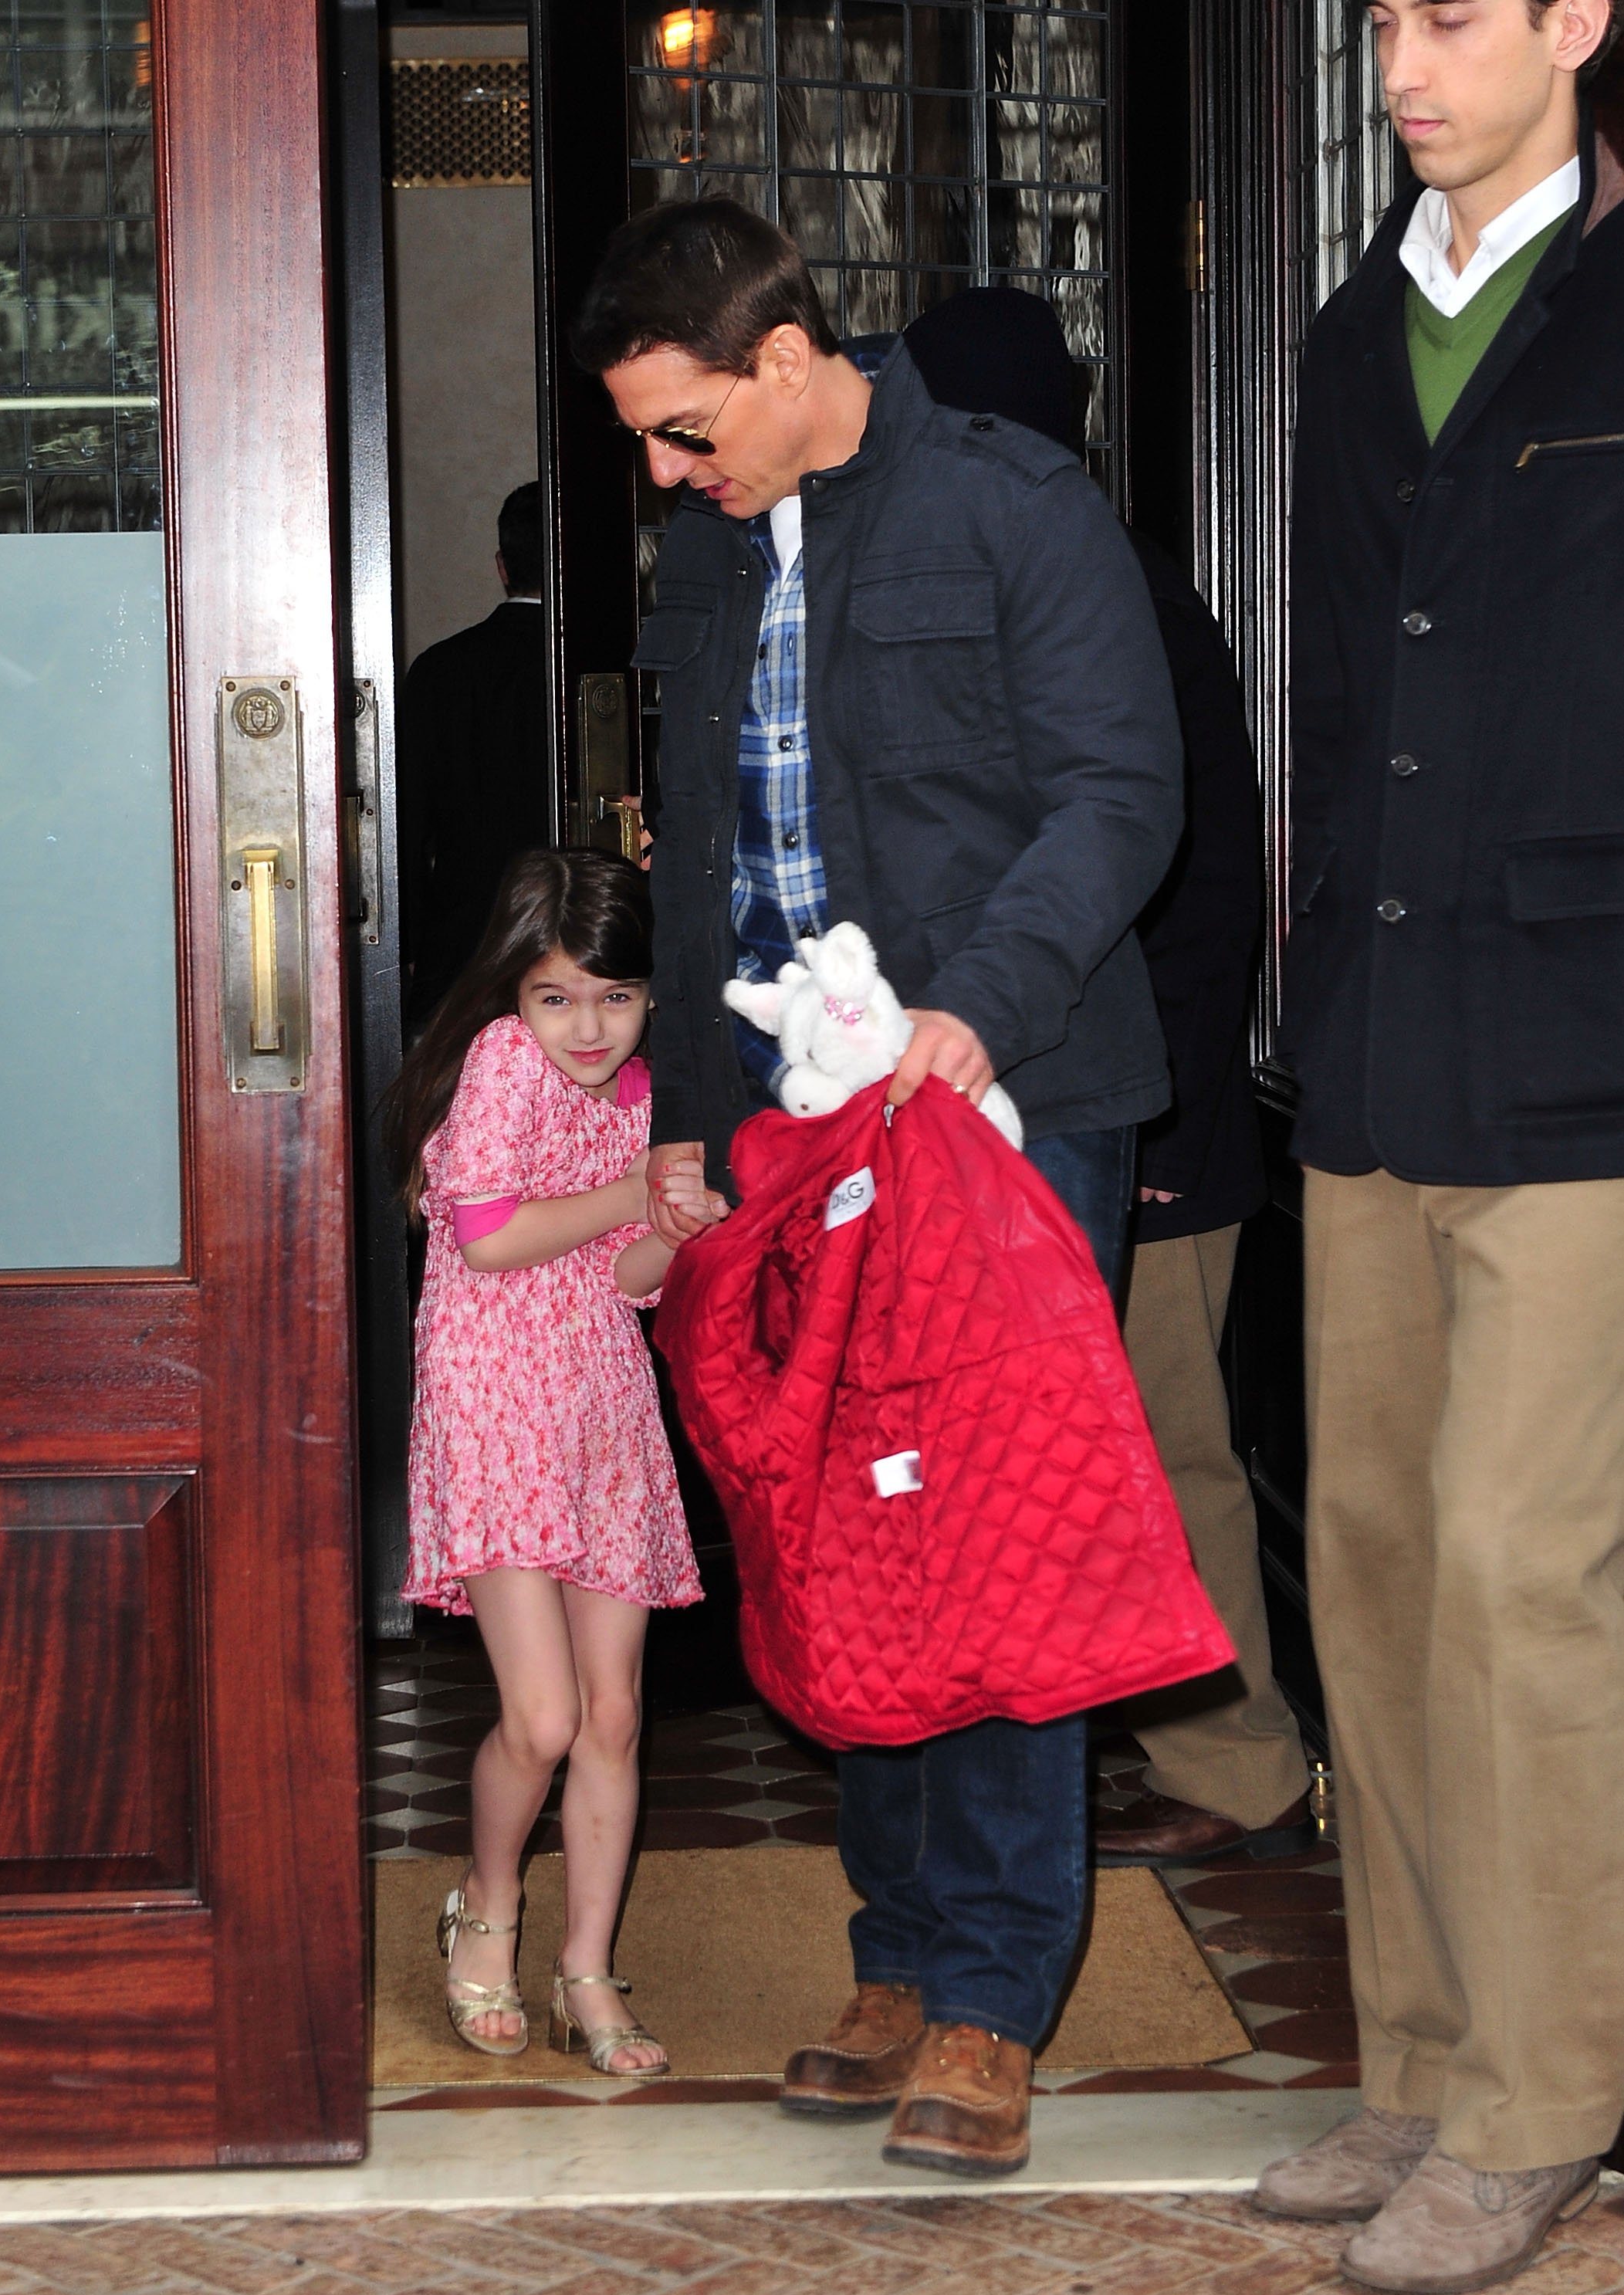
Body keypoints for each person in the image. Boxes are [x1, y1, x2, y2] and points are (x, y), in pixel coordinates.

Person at [573, 199, 1185, 2175]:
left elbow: (1122, 794)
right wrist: (679, 1100)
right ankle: (903, 1949)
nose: (669, 475)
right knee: (835, 1535)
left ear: (780, 357)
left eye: (684, 432)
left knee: (989, 1543)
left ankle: (998, 1993)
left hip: (1002, 1103)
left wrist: (979, 1013)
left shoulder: (1015, 506)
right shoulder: (701, 559)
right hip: (790, 1126)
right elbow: (688, 869)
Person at [1252, 0, 1624, 2295]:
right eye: (1381, 15)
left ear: (1577, 21)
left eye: (1455, 14)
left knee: (1515, 1576)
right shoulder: (1341, 331)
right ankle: (1413, 2048)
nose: (1404, 55)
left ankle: (1540, 2096)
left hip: (1579, 1039)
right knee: (1370, 1569)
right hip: (1373, 1049)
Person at [900, 289, 1314, 1869]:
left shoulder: (1104, 585)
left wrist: (1153, 1128)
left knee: (1161, 1452)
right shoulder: (1046, 566)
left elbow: (1198, 900)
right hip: (1066, 1111)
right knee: (1083, 1460)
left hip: (1144, 1118)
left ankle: (1237, 1773)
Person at [385, 848, 705, 2077]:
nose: (588, 1026)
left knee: (615, 1712)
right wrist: (636, 1189)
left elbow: (620, 1284)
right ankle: (486, 1907)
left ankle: (586, 1971)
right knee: (544, 1713)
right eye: (559, 995)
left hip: (599, 1403)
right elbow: (492, 1236)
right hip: (496, 1404)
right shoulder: (503, 1063)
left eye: (615, 998)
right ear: (516, 995)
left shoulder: (634, 1091)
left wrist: (669, 1235)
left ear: (651, 997)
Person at [398, 482, 551, 1029]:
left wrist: (409, 940)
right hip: (575, 930)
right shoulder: (609, 668)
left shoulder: (439, 669)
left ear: (502, 566)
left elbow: (407, 822)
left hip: (462, 934)